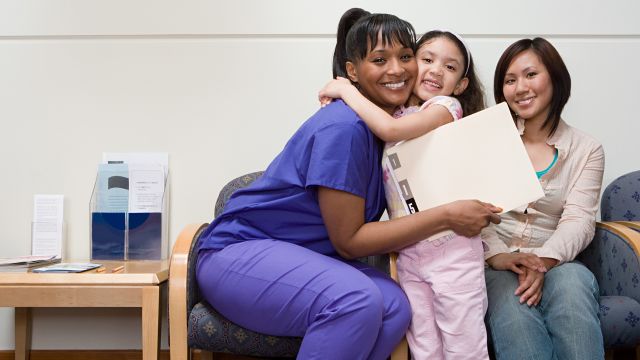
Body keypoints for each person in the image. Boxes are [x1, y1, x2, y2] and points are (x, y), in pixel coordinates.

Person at [195, 8, 501, 360]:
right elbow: (349, 241)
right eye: (379, 59)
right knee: (357, 300)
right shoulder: (344, 128)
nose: (397, 69)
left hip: (301, 257)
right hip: (237, 254)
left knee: (395, 307)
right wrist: (447, 217)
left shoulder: (388, 130)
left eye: (405, 56)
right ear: (352, 70)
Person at [319, 30, 518, 360]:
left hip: (453, 250)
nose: (436, 70)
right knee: (424, 347)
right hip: (410, 255)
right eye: (427, 59)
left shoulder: (445, 107)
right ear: (411, 65)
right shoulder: (392, 111)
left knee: (464, 346)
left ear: (462, 84)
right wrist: (346, 97)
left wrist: (344, 89)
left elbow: (391, 132)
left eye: (450, 67)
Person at [484, 37, 605, 360]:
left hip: (558, 259)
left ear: (555, 77)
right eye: (510, 81)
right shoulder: (490, 141)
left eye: (530, 75)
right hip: (497, 260)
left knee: (573, 290)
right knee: (512, 308)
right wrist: (500, 257)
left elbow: (579, 220)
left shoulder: (586, 149)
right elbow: (474, 212)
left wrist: (543, 261)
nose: (520, 87)